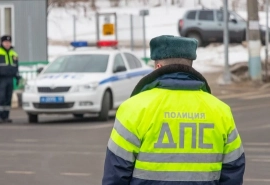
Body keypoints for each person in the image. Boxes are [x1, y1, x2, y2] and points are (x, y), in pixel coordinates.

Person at [102, 35, 245, 185]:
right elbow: (233, 169)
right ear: (190, 66)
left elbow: (116, 172)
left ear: (158, 67)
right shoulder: (221, 111)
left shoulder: (133, 108)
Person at [0, 35, 20, 124]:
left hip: (10, 78)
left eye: (9, 42)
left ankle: (6, 116)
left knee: (8, 98)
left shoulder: (14, 54)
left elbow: (16, 67)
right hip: (1, 79)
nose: (7, 44)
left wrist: (17, 76)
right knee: (1, 97)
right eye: (5, 42)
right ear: (2, 43)